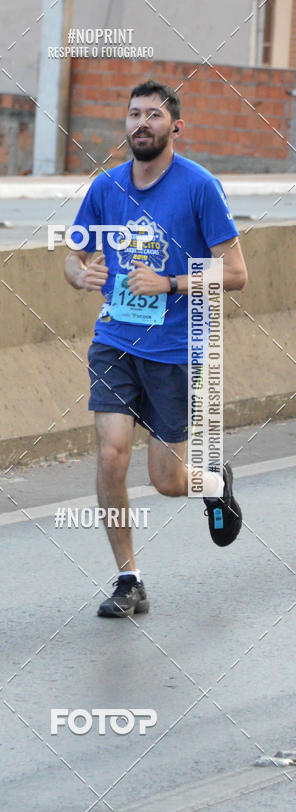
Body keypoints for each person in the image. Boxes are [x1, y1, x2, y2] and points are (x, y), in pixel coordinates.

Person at [64, 79, 248, 618]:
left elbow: (236, 273)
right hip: (114, 340)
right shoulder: (105, 188)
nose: (141, 123)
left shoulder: (199, 187)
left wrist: (170, 283)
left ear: (175, 127)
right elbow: (73, 258)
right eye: (133, 114)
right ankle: (129, 580)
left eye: (153, 116)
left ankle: (212, 483)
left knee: (167, 481)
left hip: (175, 347)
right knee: (110, 454)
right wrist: (80, 275)